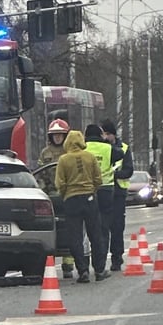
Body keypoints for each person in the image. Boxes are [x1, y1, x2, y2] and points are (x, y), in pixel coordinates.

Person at [54, 130, 108, 283]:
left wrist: (66, 195)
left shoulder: (63, 160)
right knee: (95, 235)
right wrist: (92, 191)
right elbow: (98, 179)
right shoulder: (90, 157)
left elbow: (60, 183)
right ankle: (99, 270)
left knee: (75, 237)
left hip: (71, 200)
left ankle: (82, 271)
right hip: (89, 198)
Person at [39, 118, 78, 278]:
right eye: (54, 135)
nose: (57, 138)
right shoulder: (45, 153)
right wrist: (42, 191)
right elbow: (41, 173)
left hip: (67, 194)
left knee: (69, 229)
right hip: (50, 195)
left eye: (60, 135)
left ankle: (68, 264)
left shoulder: (70, 152)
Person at [83, 123, 122, 277]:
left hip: (87, 190)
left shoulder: (83, 148)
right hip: (106, 190)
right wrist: (106, 142)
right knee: (103, 228)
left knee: (88, 227)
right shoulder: (107, 148)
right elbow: (119, 154)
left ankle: (86, 264)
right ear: (100, 135)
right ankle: (101, 263)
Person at [101, 119, 133, 271]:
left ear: (113, 134)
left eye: (107, 134)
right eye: (103, 134)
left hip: (118, 192)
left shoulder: (124, 148)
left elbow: (129, 170)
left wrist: (115, 175)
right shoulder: (100, 148)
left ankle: (116, 259)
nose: (105, 137)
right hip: (103, 191)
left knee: (117, 227)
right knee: (101, 228)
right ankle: (100, 260)